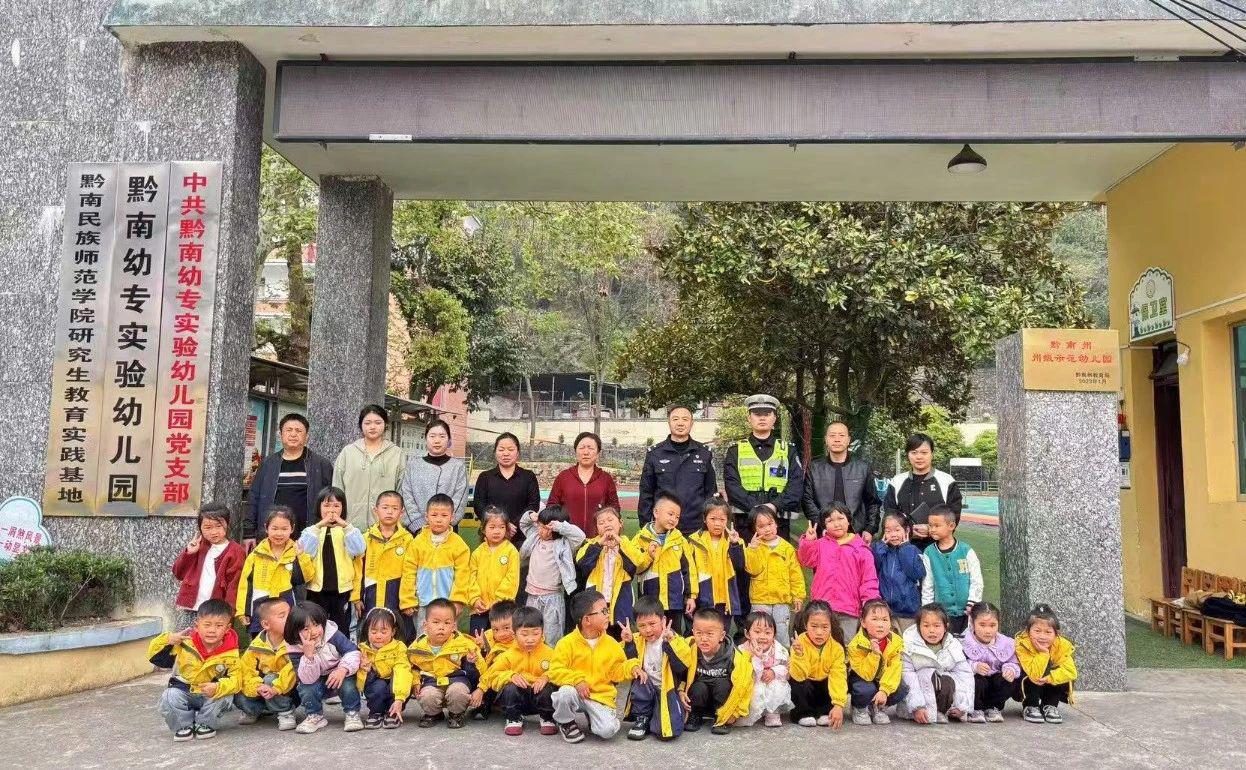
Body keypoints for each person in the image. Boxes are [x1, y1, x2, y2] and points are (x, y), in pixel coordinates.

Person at [149, 598, 241, 741]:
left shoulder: (231, 653)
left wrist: (218, 687)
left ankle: (205, 723)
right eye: (207, 625)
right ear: (197, 626)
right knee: (169, 696)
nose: (212, 630)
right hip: (185, 691)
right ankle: (183, 725)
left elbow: (236, 681)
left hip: (210, 695)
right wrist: (167, 640)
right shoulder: (184, 644)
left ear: (228, 628)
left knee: (224, 695)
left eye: (219, 625)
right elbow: (156, 658)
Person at [548, 590, 631, 743]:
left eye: (607, 610)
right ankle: (566, 723)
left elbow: (617, 670)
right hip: (577, 694)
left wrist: (631, 667)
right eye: (603, 611)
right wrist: (576, 680)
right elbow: (554, 671)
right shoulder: (566, 643)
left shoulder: (611, 644)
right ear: (587, 620)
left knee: (608, 731)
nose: (608, 614)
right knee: (565, 693)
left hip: (600, 698)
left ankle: (594, 718)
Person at [723, 394, 805, 543]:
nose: (762, 418)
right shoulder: (735, 451)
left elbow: (796, 486)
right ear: (749, 418)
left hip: (778, 522)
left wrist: (774, 506)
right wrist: (756, 508)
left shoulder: (788, 451)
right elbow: (732, 486)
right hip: (745, 522)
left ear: (774, 418)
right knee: (745, 558)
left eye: (767, 414)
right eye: (757, 414)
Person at [244, 413, 334, 548]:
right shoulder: (268, 464)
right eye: (289, 430)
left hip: (309, 537)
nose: (293, 434)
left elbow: (331, 500)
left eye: (298, 431)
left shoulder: (321, 465)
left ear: (307, 437)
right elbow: (254, 498)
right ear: (280, 435)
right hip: (274, 537)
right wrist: (248, 533)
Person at [797, 503, 880, 640]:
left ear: (849, 520)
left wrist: (869, 603)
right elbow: (806, 561)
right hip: (821, 608)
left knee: (846, 645)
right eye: (830, 521)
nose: (836, 524)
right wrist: (808, 542)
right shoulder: (820, 545)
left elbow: (869, 580)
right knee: (820, 643)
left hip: (849, 610)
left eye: (840, 518)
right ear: (824, 525)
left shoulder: (861, 549)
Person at [621, 597, 694, 741]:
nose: (648, 630)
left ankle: (654, 716)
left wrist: (670, 643)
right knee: (640, 679)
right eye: (642, 625)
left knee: (666, 733)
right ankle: (642, 718)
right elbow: (626, 664)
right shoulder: (635, 639)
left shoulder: (674, 639)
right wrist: (628, 643)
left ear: (663, 620)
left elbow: (681, 667)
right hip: (646, 690)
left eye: (652, 624)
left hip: (667, 691)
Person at [638, 405, 718, 536]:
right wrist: (646, 529)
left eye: (685, 419)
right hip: (663, 529)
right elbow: (646, 494)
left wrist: (708, 527)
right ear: (669, 422)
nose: (680, 423)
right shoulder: (655, 454)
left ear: (692, 423)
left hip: (695, 529)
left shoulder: (704, 453)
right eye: (675, 419)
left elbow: (710, 494)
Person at [236, 507, 316, 635]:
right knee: (260, 640)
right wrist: (242, 611)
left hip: (287, 605)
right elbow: (245, 585)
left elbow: (306, 577)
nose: (279, 533)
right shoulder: (256, 554)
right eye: (274, 528)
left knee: (288, 638)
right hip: (260, 606)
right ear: (266, 528)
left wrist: (301, 556)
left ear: (292, 529)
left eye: (284, 529)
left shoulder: (296, 552)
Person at [286, 600, 363, 734]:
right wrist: (309, 656)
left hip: (338, 674)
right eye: (306, 629)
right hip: (316, 679)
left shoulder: (332, 635)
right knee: (306, 688)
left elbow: (353, 652)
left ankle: (352, 713)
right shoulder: (294, 647)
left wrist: (342, 669)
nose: (313, 632)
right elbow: (306, 679)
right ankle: (315, 715)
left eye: (316, 625)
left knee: (349, 684)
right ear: (295, 630)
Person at [297, 486, 366, 634]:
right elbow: (305, 551)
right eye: (327, 505)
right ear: (319, 507)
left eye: (336, 506)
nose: (331, 510)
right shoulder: (312, 530)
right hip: (316, 589)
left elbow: (359, 549)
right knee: (316, 625)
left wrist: (345, 525)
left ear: (343, 508)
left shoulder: (348, 530)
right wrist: (319, 526)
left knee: (341, 628)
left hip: (342, 590)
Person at [399, 493, 471, 631]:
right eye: (434, 515)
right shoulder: (417, 543)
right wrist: (407, 600)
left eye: (444, 515)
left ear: (452, 517)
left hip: (448, 604)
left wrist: (458, 600)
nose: (439, 519)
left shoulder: (459, 545)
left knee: (449, 637)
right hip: (423, 604)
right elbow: (408, 572)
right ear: (426, 517)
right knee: (423, 637)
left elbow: (463, 575)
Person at [407, 597, 481, 729]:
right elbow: (412, 668)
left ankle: (456, 714)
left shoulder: (464, 644)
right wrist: (416, 682)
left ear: (453, 626)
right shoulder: (416, 647)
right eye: (436, 622)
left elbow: (481, 669)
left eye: (447, 623)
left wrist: (471, 663)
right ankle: (434, 714)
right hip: (431, 682)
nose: (441, 627)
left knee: (458, 692)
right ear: (425, 625)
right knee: (427, 695)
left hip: (457, 680)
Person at [352, 490, 416, 643]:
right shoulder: (365, 538)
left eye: (394, 508)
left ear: (401, 513)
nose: (389, 512)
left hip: (396, 598)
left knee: (399, 636)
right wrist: (356, 597)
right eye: (385, 507)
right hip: (370, 596)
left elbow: (411, 573)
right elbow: (357, 569)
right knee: (370, 634)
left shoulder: (408, 540)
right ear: (376, 510)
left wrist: (408, 601)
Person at [575, 506, 648, 639]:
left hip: (621, 601)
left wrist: (620, 543)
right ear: (597, 529)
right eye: (601, 522)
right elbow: (582, 563)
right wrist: (599, 545)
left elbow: (638, 562)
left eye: (610, 520)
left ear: (620, 523)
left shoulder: (627, 544)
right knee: (597, 636)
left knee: (621, 638)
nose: (606, 524)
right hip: (596, 600)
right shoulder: (591, 544)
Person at [801, 421, 882, 541]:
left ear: (848, 440)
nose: (837, 439)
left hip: (856, 533)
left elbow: (873, 502)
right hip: (823, 535)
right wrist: (824, 524)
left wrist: (870, 529)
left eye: (841, 435)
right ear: (826, 439)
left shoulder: (862, 468)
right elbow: (807, 500)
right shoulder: (814, 468)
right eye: (832, 435)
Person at [884, 432, 963, 552]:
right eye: (914, 452)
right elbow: (890, 514)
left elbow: (954, 515)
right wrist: (909, 530)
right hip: (903, 549)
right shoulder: (897, 481)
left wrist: (931, 529)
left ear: (932, 454)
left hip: (938, 549)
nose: (919, 457)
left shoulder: (946, 480)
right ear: (908, 455)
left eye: (924, 452)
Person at [897, 603, 974, 724]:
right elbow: (907, 676)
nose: (931, 630)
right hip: (918, 702)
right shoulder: (909, 646)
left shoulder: (953, 646)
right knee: (928, 674)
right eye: (926, 626)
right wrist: (917, 706)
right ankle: (928, 712)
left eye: (937, 626)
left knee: (947, 679)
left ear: (945, 626)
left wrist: (963, 706)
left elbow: (965, 675)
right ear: (918, 626)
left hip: (947, 700)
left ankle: (942, 711)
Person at [520, 505, 586, 645]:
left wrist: (560, 527)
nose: (540, 529)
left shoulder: (564, 544)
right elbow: (524, 524)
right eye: (540, 525)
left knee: (552, 635)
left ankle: (552, 657)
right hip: (532, 595)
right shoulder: (535, 538)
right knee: (531, 629)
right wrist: (531, 515)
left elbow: (580, 536)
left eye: (545, 527)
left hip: (553, 597)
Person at [681, 607, 753, 735]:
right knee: (698, 687)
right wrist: (680, 690)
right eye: (699, 633)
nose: (704, 638)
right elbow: (680, 674)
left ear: (721, 636)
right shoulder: (690, 649)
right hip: (699, 699)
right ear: (693, 633)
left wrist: (734, 713)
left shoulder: (733, 656)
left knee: (723, 684)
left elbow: (743, 686)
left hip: (722, 701)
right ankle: (695, 715)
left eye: (709, 634)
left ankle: (721, 719)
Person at [171, 503, 245, 629]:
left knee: (212, 639)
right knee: (186, 639)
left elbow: (234, 585)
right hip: (191, 607)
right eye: (208, 527)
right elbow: (178, 573)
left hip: (216, 611)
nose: (214, 532)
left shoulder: (235, 551)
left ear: (227, 525)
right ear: (200, 528)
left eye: (218, 526)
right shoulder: (197, 546)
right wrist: (189, 553)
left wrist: (229, 613)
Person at [489, 605, 559, 736]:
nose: (530, 639)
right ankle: (513, 718)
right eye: (524, 634)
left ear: (542, 632)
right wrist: (510, 676)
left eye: (535, 633)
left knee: (548, 687)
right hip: (517, 699)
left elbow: (560, 670)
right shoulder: (507, 655)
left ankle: (547, 718)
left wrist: (547, 677)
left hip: (539, 698)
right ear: (514, 634)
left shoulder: (550, 653)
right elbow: (492, 676)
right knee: (510, 688)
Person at [333, 404, 404, 531]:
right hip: (350, 524)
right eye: (367, 423)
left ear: (385, 424)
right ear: (361, 425)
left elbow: (401, 489)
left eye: (378, 422)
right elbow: (337, 487)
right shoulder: (348, 452)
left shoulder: (396, 453)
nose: (372, 427)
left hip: (385, 526)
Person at [633, 492, 695, 635]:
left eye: (677, 517)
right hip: (650, 602)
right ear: (656, 512)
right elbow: (635, 568)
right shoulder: (640, 539)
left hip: (674, 601)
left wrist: (691, 596)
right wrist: (648, 556)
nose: (673, 519)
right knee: (650, 636)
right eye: (670, 514)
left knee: (673, 636)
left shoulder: (680, 540)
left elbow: (689, 570)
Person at [742, 506, 805, 645]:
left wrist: (798, 596)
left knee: (781, 635)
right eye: (761, 526)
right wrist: (752, 550)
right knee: (760, 634)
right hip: (760, 601)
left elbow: (795, 574)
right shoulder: (753, 548)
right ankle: (758, 657)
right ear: (754, 529)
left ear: (776, 524)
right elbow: (752, 570)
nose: (767, 529)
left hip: (781, 601)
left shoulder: (787, 548)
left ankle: (783, 657)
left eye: (770, 524)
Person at [233, 598, 297, 730]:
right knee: (237, 691)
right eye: (282, 616)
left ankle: (285, 712)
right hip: (264, 691)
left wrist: (275, 688)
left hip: (287, 690)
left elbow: (292, 670)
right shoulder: (256, 646)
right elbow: (246, 671)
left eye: (290, 614)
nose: (290, 619)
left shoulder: (295, 642)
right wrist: (257, 687)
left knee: (270, 679)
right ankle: (257, 710)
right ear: (266, 624)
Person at [688, 496, 747, 638]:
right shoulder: (694, 541)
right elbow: (690, 572)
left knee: (721, 636)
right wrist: (692, 596)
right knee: (703, 635)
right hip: (703, 599)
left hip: (725, 601)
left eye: (722, 519)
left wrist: (734, 545)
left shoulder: (736, 541)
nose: (717, 524)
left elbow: (740, 566)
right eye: (713, 519)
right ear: (704, 519)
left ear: (728, 521)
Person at [920, 504, 983, 635]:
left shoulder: (966, 551)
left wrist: (973, 603)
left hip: (967, 613)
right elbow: (928, 585)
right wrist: (928, 610)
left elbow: (976, 580)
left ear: (951, 526)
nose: (932, 529)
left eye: (937, 526)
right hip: (942, 615)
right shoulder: (929, 553)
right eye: (930, 525)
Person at [471, 432, 541, 550]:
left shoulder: (528, 476)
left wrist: (512, 526)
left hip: (521, 536)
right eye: (501, 449)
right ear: (495, 452)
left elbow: (533, 505)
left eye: (510, 449)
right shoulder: (485, 477)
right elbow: (479, 506)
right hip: (491, 536)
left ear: (517, 453)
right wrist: (501, 525)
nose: (506, 453)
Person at [845, 599, 908, 726]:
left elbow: (895, 668)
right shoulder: (856, 645)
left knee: (901, 688)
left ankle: (878, 707)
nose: (880, 624)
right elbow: (866, 675)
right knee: (866, 689)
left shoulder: (896, 642)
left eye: (885, 620)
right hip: (863, 678)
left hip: (882, 679)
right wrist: (874, 654)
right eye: (875, 619)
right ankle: (860, 708)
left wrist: (884, 690)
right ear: (863, 622)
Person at [546, 431, 621, 539]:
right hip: (567, 539)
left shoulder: (606, 479)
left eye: (590, 448)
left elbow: (614, 507)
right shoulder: (563, 477)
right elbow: (552, 506)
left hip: (598, 540)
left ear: (598, 453)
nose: (586, 452)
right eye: (581, 448)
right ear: (575, 451)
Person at [787, 600, 847, 729]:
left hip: (823, 688)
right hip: (805, 686)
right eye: (814, 626)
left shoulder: (836, 648)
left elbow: (838, 677)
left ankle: (825, 712)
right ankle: (803, 713)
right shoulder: (799, 643)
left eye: (825, 627)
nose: (819, 632)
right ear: (806, 624)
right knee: (798, 684)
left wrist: (838, 705)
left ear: (831, 626)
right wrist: (799, 655)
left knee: (831, 682)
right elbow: (798, 676)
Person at [400, 419, 468, 532]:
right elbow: (406, 496)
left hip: (448, 531)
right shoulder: (413, 465)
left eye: (442, 436)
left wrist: (445, 523)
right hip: (417, 532)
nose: (437, 440)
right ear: (425, 439)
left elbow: (460, 499)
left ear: (449, 440)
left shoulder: (458, 467)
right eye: (432, 436)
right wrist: (418, 525)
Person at [1015, 603, 1078, 725]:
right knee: (1026, 674)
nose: (1042, 636)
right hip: (1029, 682)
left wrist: (1051, 678)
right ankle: (1031, 705)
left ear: (1056, 634)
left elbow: (1071, 672)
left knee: (1061, 674)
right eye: (1037, 631)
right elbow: (1034, 674)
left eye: (1048, 632)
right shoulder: (1022, 644)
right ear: (1028, 631)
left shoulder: (1062, 645)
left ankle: (1049, 705)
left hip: (1047, 682)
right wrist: (1043, 653)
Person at [960, 601, 1020, 723]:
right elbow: (958, 664)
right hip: (977, 682)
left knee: (1007, 680)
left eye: (992, 625)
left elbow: (1014, 662)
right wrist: (974, 666)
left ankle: (993, 707)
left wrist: (1010, 669)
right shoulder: (965, 643)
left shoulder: (1005, 643)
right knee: (977, 680)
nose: (988, 631)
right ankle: (975, 709)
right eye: (982, 625)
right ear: (972, 623)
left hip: (994, 681)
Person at [466, 507, 521, 635]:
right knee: (478, 641)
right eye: (492, 527)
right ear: (483, 529)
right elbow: (470, 578)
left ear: (506, 529)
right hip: (479, 609)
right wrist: (475, 599)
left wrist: (498, 600)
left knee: (501, 640)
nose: (497, 531)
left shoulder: (511, 551)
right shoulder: (477, 553)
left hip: (502, 609)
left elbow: (512, 579)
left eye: (501, 527)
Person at [356, 607, 412, 729]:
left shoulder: (400, 648)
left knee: (399, 680)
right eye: (373, 632)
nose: (378, 636)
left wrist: (400, 698)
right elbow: (360, 684)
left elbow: (402, 671)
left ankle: (393, 711)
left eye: (383, 632)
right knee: (378, 685)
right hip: (376, 686)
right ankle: (376, 712)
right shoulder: (362, 650)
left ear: (393, 631)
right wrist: (365, 671)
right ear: (367, 631)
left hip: (396, 686)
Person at [872, 512, 926, 634]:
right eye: (888, 531)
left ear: (906, 530)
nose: (893, 535)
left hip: (908, 610)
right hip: (886, 610)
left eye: (897, 530)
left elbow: (916, 574)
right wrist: (880, 549)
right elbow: (874, 567)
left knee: (907, 641)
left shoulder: (913, 550)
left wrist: (905, 549)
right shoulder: (881, 550)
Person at [736, 610, 792, 727]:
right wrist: (757, 657)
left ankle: (772, 712)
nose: (762, 636)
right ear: (747, 634)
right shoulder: (742, 650)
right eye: (757, 632)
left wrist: (774, 672)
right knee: (753, 691)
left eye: (767, 633)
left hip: (770, 682)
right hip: (752, 682)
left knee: (778, 686)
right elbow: (741, 671)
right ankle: (748, 714)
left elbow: (786, 668)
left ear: (774, 635)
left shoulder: (779, 650)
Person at [470, 600, 518, 722]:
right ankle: (483, 703)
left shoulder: (521, 642)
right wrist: (480, 648)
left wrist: (481, 689)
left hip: (514, 679)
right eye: (496, 629)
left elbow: (496, 668)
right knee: (473, 665)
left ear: (518, 623)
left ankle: (492, 702)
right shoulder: (487, 637)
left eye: (506, 628)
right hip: (491, 678)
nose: (501, 634)